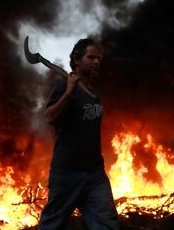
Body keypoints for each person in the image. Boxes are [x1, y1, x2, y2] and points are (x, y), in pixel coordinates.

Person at [38, 38, 119, 230]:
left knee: (107, 224)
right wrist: (69, 92)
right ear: (76, 60)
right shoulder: (64, 87)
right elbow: (49, 118)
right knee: (52, 225)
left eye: (99, 58)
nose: (96, 61)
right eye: (91, 57)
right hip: (66, 173)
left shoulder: (94, 89)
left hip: (94, 174)